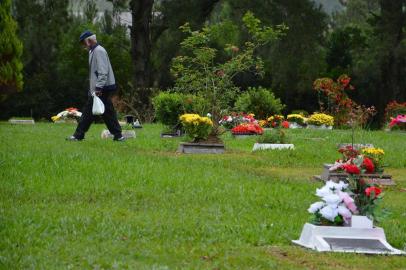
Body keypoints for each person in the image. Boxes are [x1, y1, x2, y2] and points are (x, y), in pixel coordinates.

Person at [67, 30, 124, 141]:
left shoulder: (99, 51)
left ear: (89, 40)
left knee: (89, 112)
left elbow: (103, 71)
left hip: (101, 88)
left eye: (83, 43)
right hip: (100, 88)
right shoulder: (93, 51)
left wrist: (98, 88)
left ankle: (78, 135)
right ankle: (118, 135)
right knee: (107, 113)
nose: (83, 45)